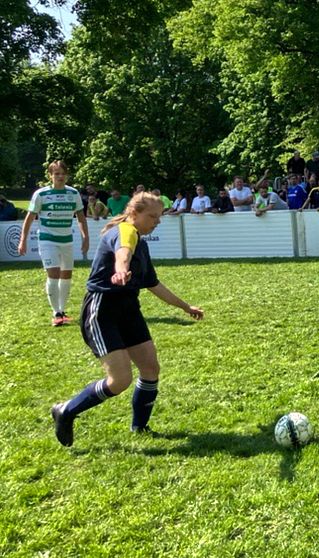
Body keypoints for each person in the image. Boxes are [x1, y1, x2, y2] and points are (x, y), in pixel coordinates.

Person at [49, 193, 203, 447]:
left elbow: (152, 283)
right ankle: (66, 410)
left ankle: (140, 428)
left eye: (159, 217)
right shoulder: (125, 231)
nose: (157, 222)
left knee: (150, 369)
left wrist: (185, 307)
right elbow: (123, 253)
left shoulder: (141, 243)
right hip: (103, 310)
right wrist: (120, 271)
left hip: (129, 309)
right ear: (134, 214)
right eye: (152, 216)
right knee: (119, 380)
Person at [18, 160, 90, 326]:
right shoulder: (41, 194)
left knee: (66, 275)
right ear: (50, 176)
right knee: (54, 273)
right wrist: (23, 240)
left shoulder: (73, 194)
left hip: (67, 241)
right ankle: (56, 313)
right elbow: (29, 218)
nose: (60, 177)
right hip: (47, 239)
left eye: (63, 173)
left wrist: (85, 237)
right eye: (56, 173)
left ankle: (62, 311)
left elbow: (81, 217)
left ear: (67, 175)